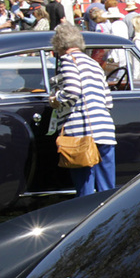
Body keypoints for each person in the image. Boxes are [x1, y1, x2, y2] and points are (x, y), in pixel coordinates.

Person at [51, 23, 116, 196]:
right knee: (107, 190)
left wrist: (57, 99)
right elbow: (108, 101)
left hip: (82, 132)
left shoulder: (68, 61)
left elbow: (72, 90)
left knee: (85, 190)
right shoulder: (94, 64)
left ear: (59, 44)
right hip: (105, 130)